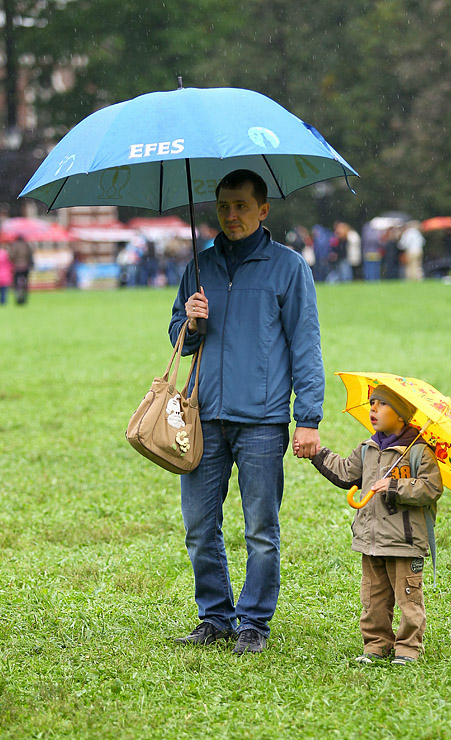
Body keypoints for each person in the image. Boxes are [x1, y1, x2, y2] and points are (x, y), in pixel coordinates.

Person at [169, 169, 324, 654]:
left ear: (263, 210)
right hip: (203, 416)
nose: (230, 215)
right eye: (223, 206)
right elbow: (178, 335)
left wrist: (310, 418)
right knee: (199, 526)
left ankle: (254, 621)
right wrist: (190, 323)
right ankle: (214, 617)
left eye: (240, 205)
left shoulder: (289, 267)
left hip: (262, 420)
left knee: (261, 529)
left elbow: (305, 343)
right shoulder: (199, 266)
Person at [304, 385, 443, 665]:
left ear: (401, 415)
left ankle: (407, 649)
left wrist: (395, 485)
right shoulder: (368, 448)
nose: (373, 410)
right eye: (371, 403)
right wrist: (316, 454)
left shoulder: (417, 452)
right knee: (373, 598)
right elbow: (345, 473)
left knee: (408, 598)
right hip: (372, 539)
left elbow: (431, 487)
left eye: (381, 405)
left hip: (405, 542)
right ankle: (376, 644)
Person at [9, 235, 33, 304]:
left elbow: (11, 256)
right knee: (25, 282)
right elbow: (30, 255)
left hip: (17, 267)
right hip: (25, 267)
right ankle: (24, 297)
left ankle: (18, 298)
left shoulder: (14, 245)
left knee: (16, 283)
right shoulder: (26, 245)